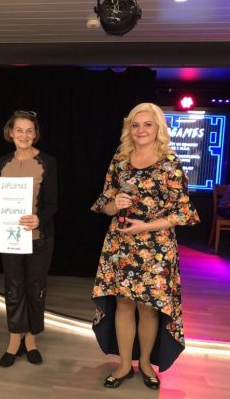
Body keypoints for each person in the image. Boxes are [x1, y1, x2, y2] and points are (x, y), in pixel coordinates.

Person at [91, 103, 199, 389]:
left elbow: (183, 213)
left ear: (158, 128)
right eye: (135, 125)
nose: (141, 130)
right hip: (121, 244)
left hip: (156, 247)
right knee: (123, 304)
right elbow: (104, 204)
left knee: (149, 307)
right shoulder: (120, 159)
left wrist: (145, 226)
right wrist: (115, 204)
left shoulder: (170, 163)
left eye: (147, 124)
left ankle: (147, 363)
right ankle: (125, 365)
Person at [0, 110, 58, 367]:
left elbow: (53, 203)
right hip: (10, 239)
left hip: (38, 238)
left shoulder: (48, 162)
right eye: (19, 130)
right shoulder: (3, 163)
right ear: (10, 132)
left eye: (29, 130)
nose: (24, 135)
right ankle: (14, 339)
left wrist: (39, 219)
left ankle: (31, 339)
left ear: (36, 134)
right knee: (13, 288)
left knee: (35, 289)